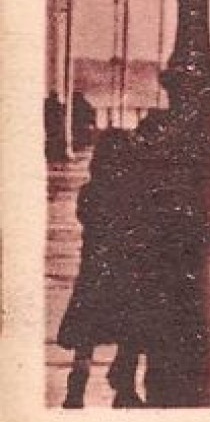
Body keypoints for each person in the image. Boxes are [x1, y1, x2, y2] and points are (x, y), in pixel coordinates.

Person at [56, 130, 144, 407]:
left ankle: (76, 386)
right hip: (127, 271)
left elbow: (85, 219)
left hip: (94, 269)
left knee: (86, 331)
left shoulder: (90, 191)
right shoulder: (137, 194)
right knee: (130, 328)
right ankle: (125, 388)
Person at [44, 92, 67, 164]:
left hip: (51, 127)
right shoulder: (57, 105)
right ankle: (54, 157)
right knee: (54, 142)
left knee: (52, 142)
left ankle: (52, 157)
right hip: (55, 127)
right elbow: (60, 116)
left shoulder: (47, 104)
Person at [70, 90, 96, 155]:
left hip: (79, 124)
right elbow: (92, 114)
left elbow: (92, 114)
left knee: (79, 137)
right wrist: (92, 123)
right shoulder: (86, 104)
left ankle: (79, 148)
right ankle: (80, 148)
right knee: (80, 137)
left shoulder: (74, 104)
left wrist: (92, 123)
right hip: (81, 125)